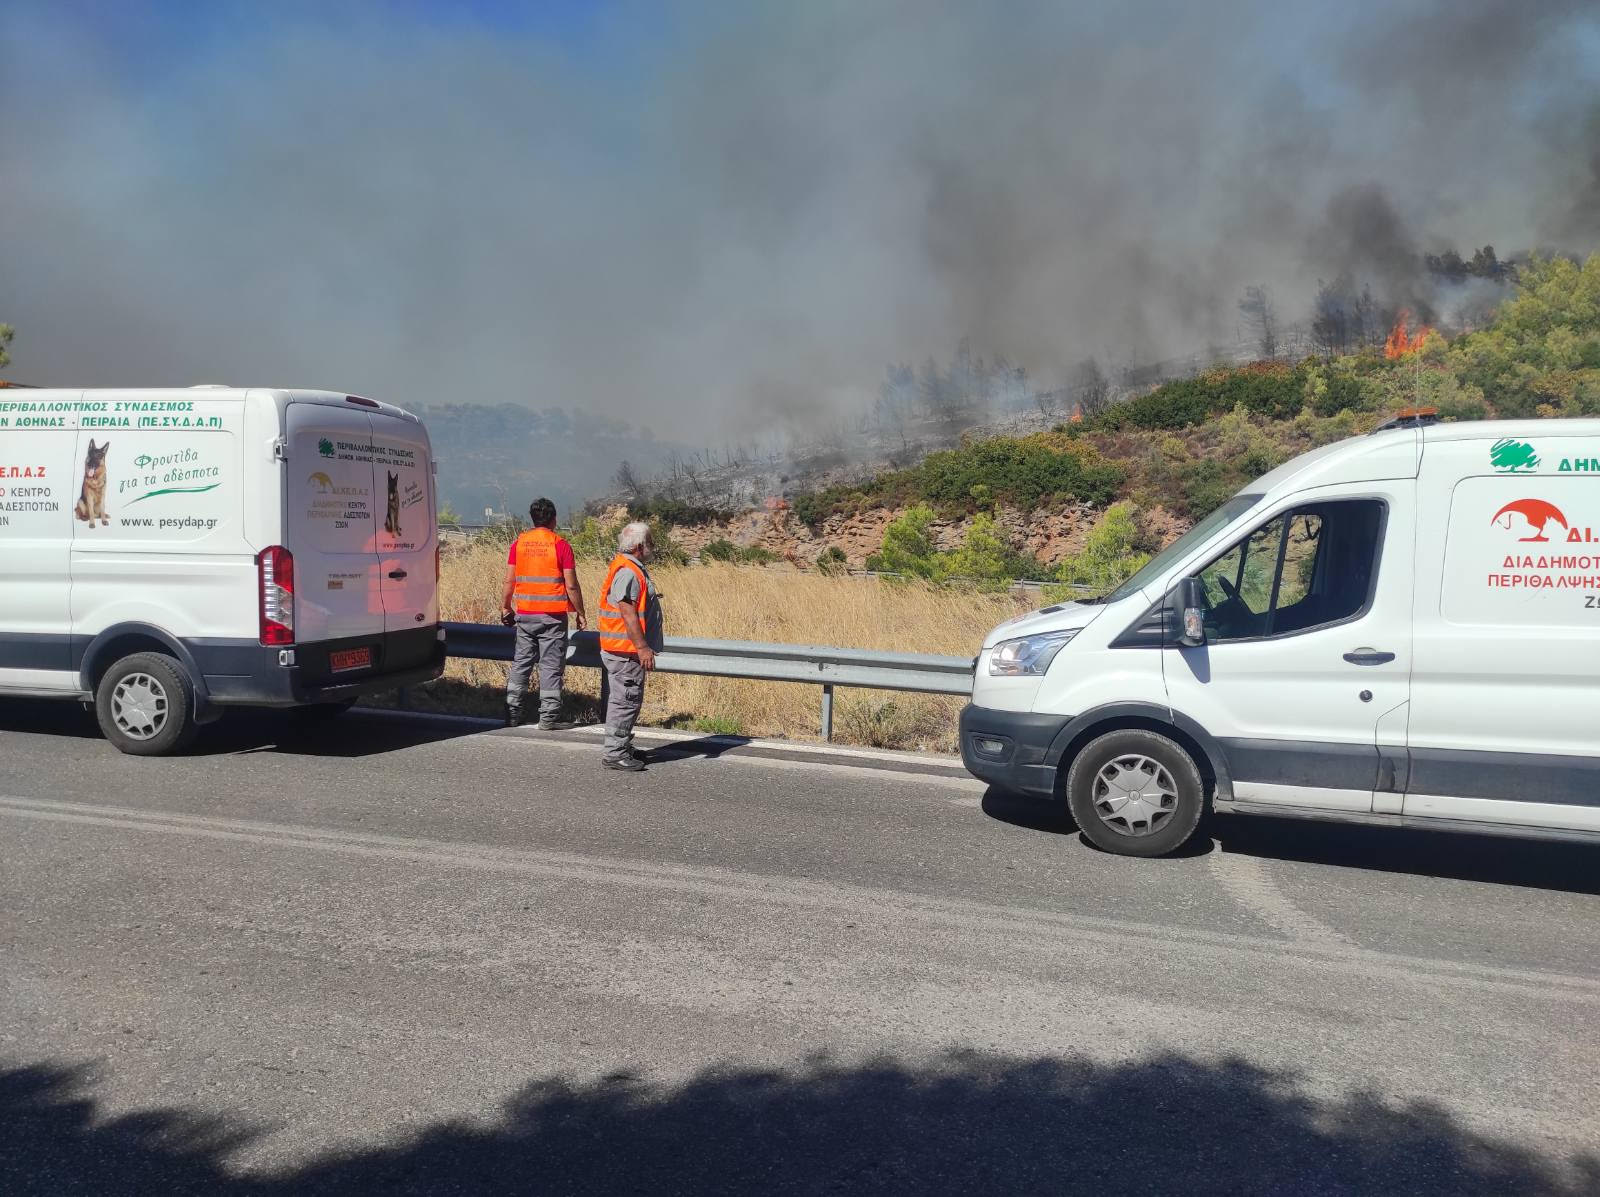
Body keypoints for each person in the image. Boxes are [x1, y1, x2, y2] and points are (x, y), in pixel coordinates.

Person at [501, 498, 587, 729]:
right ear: (554, 519)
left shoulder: (519, 543)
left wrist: (506, 606)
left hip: (525, 613)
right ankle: (548, 718)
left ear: (533, 518)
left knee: (521, 663)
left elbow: (510, 579)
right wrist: (580, 612)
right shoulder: (560, 545)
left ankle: (512, 713)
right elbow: (571, 585)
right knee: (550, 666)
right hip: (552, 617)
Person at [596, 521, 663, 772]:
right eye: (650, 542)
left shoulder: (630, 568)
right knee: (625, 701)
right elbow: (628, 613)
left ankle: (621, 745)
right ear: (638, 546)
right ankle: (615, 752)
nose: (652, 547)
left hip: (623, 649)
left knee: (626, 700)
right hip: (625, 650)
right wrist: (642, 647)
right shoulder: (628, 571)